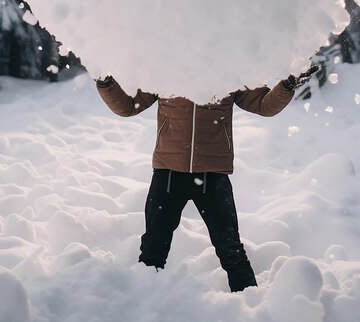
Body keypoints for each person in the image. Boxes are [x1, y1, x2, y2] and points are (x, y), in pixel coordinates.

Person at [96, 69, 316, 292]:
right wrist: (106, 83)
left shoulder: (226, 68)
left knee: (230, 249)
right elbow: (128, 107)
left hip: (213, 174)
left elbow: (263, 105)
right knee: (153, 246)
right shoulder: (163, 67)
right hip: (169, 172)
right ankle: (143, 304)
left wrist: (287, 85)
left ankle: (249, 301)